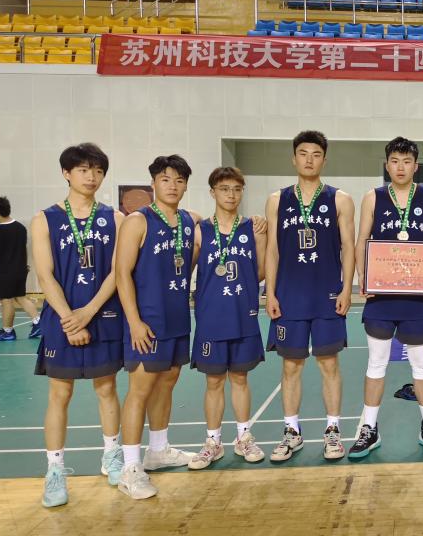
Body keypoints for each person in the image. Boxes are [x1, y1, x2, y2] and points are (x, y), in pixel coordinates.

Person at [31, 144, 125, 507]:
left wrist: (89, 311)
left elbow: (117, 272)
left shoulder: (115, 218)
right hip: (62, 317)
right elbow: (45, 275)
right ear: (66, 173)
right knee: (60, 394)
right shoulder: (45, 219)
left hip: (102, 314)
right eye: (84, 170)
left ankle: (112, 455)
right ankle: (54, 470)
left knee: (107, 388)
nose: (92, 177)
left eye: (98, 170)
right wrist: (71, 319)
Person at [349, 137, 423, 458]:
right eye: (395, 161)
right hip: (382, 295)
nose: (400, 167)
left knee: (421, 364)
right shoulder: (373, 197)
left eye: (407, 161)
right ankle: (369, 429)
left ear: (416, 166)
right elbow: (362, 239)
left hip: (417, 296)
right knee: (376, 363)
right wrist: (363, 276)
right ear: (387, 164)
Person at [265, 130, 355, 462]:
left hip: (327, 294)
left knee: (329, 363)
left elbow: (349, 248)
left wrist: (347, 288)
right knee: (291, 366)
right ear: (294, 159)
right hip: (289, 296)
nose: (309, 160)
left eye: (316, 154)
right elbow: (272, 250)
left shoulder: (340, 199)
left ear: (324, 160)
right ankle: (292, 432)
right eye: (303, 153)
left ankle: (333, 431)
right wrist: (269, 292)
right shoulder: (277, 200)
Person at [115, 155, 200, 499]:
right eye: (166, 179)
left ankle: (158, 450)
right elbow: (121, 274)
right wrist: (134, 322)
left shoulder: (189, 221)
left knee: (167, 383)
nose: (173, 186)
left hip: (177, 317)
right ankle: (130, 468)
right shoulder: (138, 221)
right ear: (153, 183)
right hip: (147, 320)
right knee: (140, 389)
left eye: (179, 180)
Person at [187, 167, 268, 470]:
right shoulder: (200, 230)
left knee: (241, 378)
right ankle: (213, 442)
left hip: (243, 313)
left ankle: (244, 437)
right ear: (212, 192)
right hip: (211, 316)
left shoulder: (254, 228)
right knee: (214, 381)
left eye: (236, 189)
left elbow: (261, 271)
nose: (231, 195)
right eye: (224, 189)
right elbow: (186, 270)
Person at [0, 196, 41, 341]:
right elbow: (23, 248)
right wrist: (25, 264)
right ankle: (38, 322)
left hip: (5, 271)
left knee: (6, 301)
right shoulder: (20, 228)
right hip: (20, 269)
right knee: (21, 297)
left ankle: (8, 331)